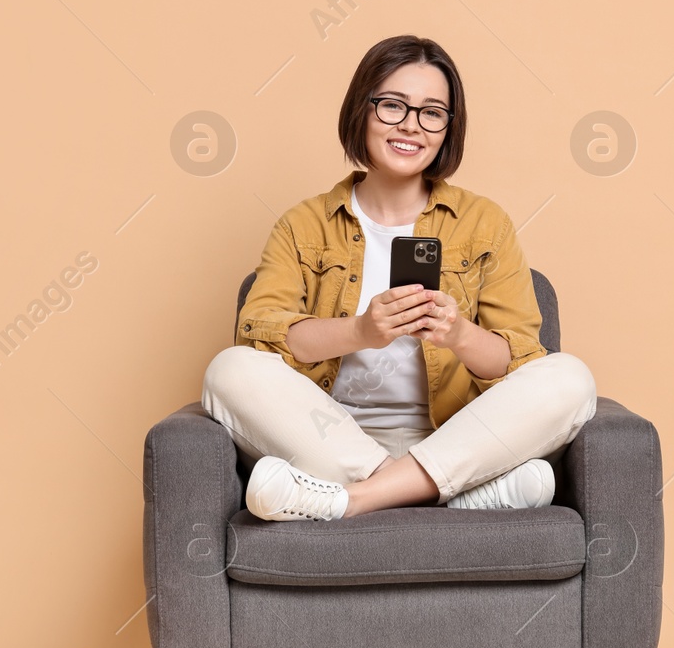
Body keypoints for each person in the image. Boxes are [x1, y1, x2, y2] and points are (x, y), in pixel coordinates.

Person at [201, 34, 597, 521]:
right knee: (229, 369)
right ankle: (441, 494)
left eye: (432, 112)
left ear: (448, 127)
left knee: (570, 378)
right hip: (330, 440)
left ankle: (354, 501)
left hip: (457, 438)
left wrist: (458, 334)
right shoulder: (302, 225)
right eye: (393, 106)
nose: (411, 126)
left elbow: (515, 361)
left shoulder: (485, 223)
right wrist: (360, 331)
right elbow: (260, 334)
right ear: (362, 110)